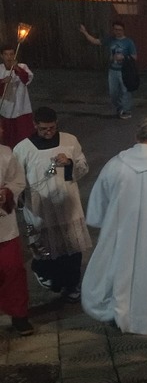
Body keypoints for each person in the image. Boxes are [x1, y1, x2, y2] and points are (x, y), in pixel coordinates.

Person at [82, 117, 147, 334]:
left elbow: (98, 208)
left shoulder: (115, 165)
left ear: (136, 137)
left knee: (123, 275)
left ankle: (122, 315)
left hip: (122, 237)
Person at [13, 107, 91, 302]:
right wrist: (18, 198)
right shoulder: (23, 149)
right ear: (35, 125)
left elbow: (83, 167)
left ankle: (72, 285)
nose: (48, 132)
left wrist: (70, 163)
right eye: (44, 129)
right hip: (40, 207)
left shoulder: (69, 140)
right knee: (46, 250)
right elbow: (16, 179)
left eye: (52, 128)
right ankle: (47, 275)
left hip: (67, 204)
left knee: (72, 250)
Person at [0, 123, 32, 335]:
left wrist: (7, 193)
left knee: (13, 270)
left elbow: (18, 180)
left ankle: (19, 315)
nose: (2, 132)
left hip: (4, 227)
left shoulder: (5, 153)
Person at [79, 20, 137, 120]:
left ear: (123, 30)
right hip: (113, 70)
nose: (118, 32)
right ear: (113, 30)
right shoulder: (110, 40)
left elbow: (134, 57)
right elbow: (95, 41)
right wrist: (85, 32)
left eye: (120, 30)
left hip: (125, 70)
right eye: (116, 30)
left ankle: (126, 110)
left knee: (125, 91)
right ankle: (120, 108)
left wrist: (123, 57)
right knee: (113, 93)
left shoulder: (128, 42)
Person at [0, 43, 34, 149]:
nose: (9, 57)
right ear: (2, 56)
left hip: (21, 108)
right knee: (8, 139)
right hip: (6, 109)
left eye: (11, 54)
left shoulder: (22, 66)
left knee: (24, 137)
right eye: (6, 54)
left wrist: (17, 69)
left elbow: (27, 79)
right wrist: (2, 82)